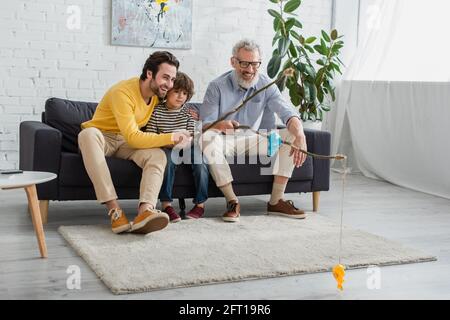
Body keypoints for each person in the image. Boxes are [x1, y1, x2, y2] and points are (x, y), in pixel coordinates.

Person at [78, 51, 192, 235]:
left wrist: (190, 133)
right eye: (165, 77)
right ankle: (115, 212)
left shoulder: (158, 95)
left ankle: (145, 212)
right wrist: (171, 136)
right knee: (87, 135)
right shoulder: (122, 92)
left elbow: (179, 111)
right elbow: (133, 136)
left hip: (125, 143)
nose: (169, 85)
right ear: (149, 73)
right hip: (102, 137)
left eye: (172, 79)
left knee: (157, 155)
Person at [199, 39, 308, 223]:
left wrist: (301, 135)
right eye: (244, 63)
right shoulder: (216, 86)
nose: (250, 70)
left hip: (257, 139)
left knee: (291, 134)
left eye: (255, 64)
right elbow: (205, 125)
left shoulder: (267, 85)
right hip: (227, 142)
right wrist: (220, 125)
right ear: (233, 62)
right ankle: (232, 201)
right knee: (207, 138)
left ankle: (276, 201)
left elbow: (287, 113)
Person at [145, 72, 209, 222]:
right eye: (177, 92)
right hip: (166, 146)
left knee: (200, 162)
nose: (181, 96)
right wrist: (167, 142)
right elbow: (150, 135)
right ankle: (166, 204)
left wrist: (188, 141)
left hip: (187, 147)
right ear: (167, 92)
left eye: (185, 93)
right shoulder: (157, 111)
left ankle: (200, 204)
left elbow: (194, 135)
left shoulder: (189, 112)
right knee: (167, 162)